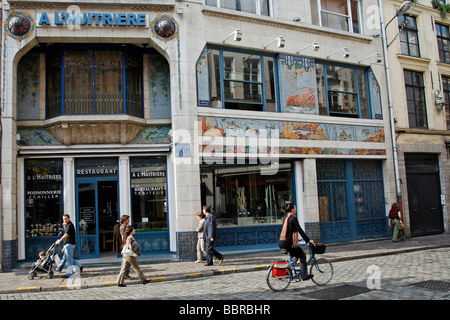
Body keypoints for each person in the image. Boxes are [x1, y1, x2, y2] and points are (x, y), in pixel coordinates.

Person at [279, 202, 314, 281]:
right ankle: (304, 275)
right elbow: (300, 230)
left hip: (282, 242)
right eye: (295, 208)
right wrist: (308, 240)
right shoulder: (293, 218)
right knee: (302, 255)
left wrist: (296, 239)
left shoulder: (285, 218)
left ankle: (287, 270)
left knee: (295, 255)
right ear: (292, 210)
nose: (296, 209)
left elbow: (288, 231)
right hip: (288, 244)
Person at [55, 214, 83, 278]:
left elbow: (66, 235)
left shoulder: (70, 225)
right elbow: (67, 238)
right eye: (63, 219)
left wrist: (59, 240)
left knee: (69, 259)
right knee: (65, 258)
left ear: (69, 218)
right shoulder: (67, 226)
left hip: (70, 244)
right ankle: (59, 268)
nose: (64, 220)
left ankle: (69, 273)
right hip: (68, 244)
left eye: (66, 219)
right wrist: (64, 246)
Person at [119, 215, 132, 279]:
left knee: (127, 261)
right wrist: (126, 245)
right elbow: (123, 237)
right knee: (125, 261)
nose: (129, 220)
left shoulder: (126, 226)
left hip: (128, 244)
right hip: (126, 245)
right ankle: (124, 274)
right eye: (128, 219)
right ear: (124, 220)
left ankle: (125, 274)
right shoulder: (122, 227)